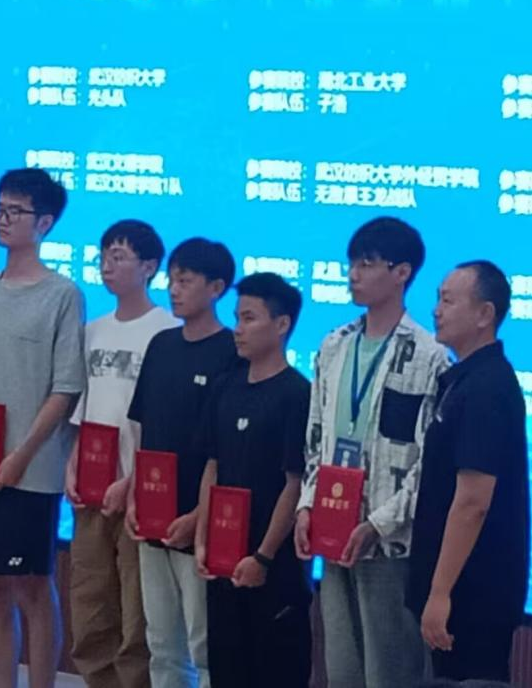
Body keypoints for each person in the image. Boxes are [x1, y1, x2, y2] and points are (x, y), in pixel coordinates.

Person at [0, 168, 86, 688]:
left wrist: (21, 455)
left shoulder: (62, 294)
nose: (2, 219)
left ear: (44, 223)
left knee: (31, 586)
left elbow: (65, 389)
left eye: (15, 211)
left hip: (31, 470)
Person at [294, 217, 448, 688]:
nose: (353, 274)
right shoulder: (334, 344)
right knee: (341, 669)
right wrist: (306, 505)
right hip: (332, 526)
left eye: (366, 264)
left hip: (389, 539)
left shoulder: (429, 355)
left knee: (389, 672)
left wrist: (378, 523)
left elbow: (429, 462)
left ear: (401, 272)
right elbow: (315, 438)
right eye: (352, 264)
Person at [64, 219, 177, 688]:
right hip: (91, 488)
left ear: (149, 266)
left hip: (140, 494)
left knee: (137, 613)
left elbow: (165, 424)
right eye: (103, 256)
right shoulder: (92, 330)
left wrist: (130, 482)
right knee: (90, 605)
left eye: (119, 256)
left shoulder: (166, 332)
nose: (107, 266)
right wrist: (73, 464)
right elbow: (86, 406)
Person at [407, 261, 529, 683]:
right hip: (458, 588)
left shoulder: (486, 388)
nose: (436, 310)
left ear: (484, 314)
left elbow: (473, 501)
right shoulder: (463, 379)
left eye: (448, 300)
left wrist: (441, 592)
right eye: (437, 299)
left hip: (474, 593)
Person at [126, 237, 238, 688]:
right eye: (171, 280)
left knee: (203, 643)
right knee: (161, 642)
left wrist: (200, 515)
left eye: (185, 281)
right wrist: (133, 495)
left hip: (202, 522)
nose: (174, 289)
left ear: (216, 287)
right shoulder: (161, 345)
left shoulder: (232, 352)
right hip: (152, 515)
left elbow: (228, 449)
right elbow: (142, 426)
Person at [196, 273, 311, 688]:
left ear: (281, 324)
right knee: (225, 670)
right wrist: (203, 540)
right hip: (224, 560)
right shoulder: (226, 387)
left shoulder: (298, 393)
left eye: (249, 318)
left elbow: (294, 482)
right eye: (237, 318)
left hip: (274, 569)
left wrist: (262, 556)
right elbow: (213, 466)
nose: (238, 329)